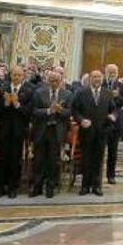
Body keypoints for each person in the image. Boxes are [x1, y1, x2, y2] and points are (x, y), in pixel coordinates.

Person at [72, 70, 116, 196]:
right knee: (86, 159)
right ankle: (85, 186)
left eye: (99, 77)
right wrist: (81, 120)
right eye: (95, 77)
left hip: (102, 131)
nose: (97, 79)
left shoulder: (107, 93)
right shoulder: (81, 92)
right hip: (87, 130)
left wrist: (113, 115)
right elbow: (75, 110)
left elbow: (113, 109)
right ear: (90, 78)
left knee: (98, 159)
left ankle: (97, 186)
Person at [0, 65, 34, 199]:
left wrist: (17, 105)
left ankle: (12, 187)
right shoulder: (2, 89)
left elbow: (29, 112)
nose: (16, 77)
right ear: (10, 75)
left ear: (23, 76)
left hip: (18, 130)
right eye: (14, 75)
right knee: (2, 158)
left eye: (19, 75)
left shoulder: (28, 90)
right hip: (4, 129)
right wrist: (5, 103)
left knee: (15, 159)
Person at [30, 70, 73, 198]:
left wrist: (60, 110)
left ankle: (50, 186)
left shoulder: (68, 94)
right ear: (47, 81)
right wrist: (49, 111)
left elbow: (69, 112)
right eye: (52, 81)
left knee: (53, 160)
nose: (54, 83)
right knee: (39, 159)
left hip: (57, 131)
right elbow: (34, 111)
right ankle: (37, 186)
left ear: (61, 81)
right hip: (41, 130)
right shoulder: (39, 92)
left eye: (57, 81)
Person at [102, 64, 123, 184]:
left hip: (116, 122)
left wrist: (118, 96)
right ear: (105, 72)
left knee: (113, 151)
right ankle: (97, 175)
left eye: (114, 72)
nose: (112, 74)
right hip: (102, 122)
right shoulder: (101, 84)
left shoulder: (121, 85)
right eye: (110, 72)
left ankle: (111, 175)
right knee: (99, 150)